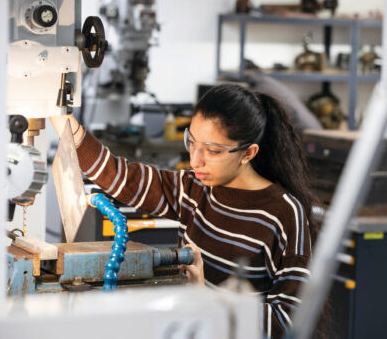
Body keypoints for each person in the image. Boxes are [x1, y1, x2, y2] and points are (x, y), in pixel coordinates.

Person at [50, 84, 317, 338]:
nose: (195, 160)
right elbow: (119, 176)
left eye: (212, 151)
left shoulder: (284, 213)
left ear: (248, 153)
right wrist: (56, 110)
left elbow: (289, 321)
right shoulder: (193, 188)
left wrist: (207, 299)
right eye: (192, 142)